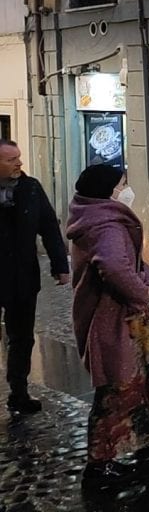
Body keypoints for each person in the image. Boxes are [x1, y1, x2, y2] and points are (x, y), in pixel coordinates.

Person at [67, 165, 149, 484]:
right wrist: (142, 293)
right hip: (116, 319)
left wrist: (145, 280)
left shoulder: (94, 217)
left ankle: (146, 439)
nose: (126, 190)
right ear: (108, 190)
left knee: (134, 379)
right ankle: (100, 463)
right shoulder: (106, 225)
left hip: (122, 317)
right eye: (122, 184)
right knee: (117, 386)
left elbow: (134, 262)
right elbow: (115, 267)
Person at [0, 139, 69, 414]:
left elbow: (49, 226)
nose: (19, 163)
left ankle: (19, 392)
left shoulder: (30, 188)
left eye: (18, 157)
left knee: (22, 338)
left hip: (22, 277)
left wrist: (60, 265)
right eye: (11, 159)